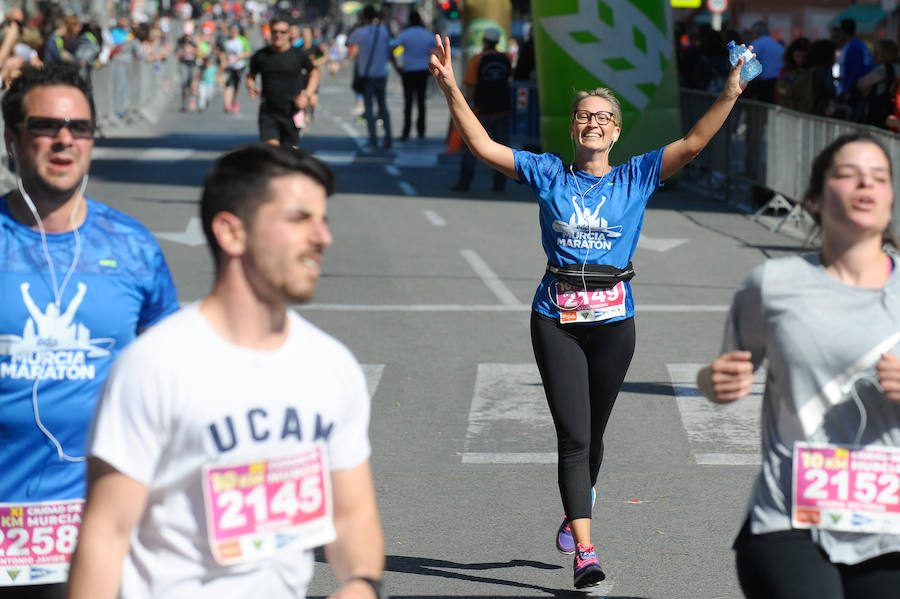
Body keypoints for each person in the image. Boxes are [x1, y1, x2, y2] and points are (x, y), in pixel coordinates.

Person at [429, 33, 749, 589]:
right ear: (572, 128)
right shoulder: (549, 173)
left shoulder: (637, 175)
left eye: (603, 116)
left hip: (614, 321)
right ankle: (585, 548)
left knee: (595, 433)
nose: (593, 122)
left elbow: (694, 142)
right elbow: (483, 147)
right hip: (556, 316)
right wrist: (453, 88)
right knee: (573, 435)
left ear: (616, 130)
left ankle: (576, 504)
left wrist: (730, 92)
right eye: (583, 116)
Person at [66, 144, 386, 599]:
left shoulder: (332, 366)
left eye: (323, 220)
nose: (323, 237)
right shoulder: (156, 364)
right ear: (232, 233)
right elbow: (105, 535)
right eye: (299, 219)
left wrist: (361, 583)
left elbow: (352, 514)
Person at [0, 63, 179, 599]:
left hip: (101, 530)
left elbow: (173, 377)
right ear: (12, 139)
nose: (64, 140)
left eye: (80, 128)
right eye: (46, 126)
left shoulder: (132, 246)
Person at [697, 133, 900, 599]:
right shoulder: (772, 286)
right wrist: (714, 380)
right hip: (790, 515)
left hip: (888, 521)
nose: (865, 184)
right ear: (813, 197)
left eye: (880, 177)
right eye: (848, 174)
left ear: (890, 196)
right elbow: (719, 374)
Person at [449, 27, 511, 193]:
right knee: (503, 148)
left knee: (471, 147)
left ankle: (465, 182)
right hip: (503, 109)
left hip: (482, 110)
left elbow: (470, 86)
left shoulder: (477, 60)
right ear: (497, 42)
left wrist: (465, 107)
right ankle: (500, 183)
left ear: (484, 41)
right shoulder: (505, 59)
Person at [246, 15, 320, 148]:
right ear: (270, 32)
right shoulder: (261, 55)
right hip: (269, 111)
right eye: (275, 32)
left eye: (283, 32)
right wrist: (251, 86)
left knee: (288, 155)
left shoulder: (299, 55)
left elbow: (314, 73)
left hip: (293, 111)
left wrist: (307, 95)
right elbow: (250, 76)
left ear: (289, 33)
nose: (278, 35)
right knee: (271, 150)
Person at [347, 4, 392, 149]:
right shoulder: (384, 31)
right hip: (381, 74)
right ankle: (388, 137)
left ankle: (373, 138)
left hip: (367, 76)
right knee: (383, 106)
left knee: (369, 108)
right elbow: (390, 46)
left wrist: (359, 24)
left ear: (363, 17)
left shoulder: (361, 32)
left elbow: (348, 41)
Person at [393, 10, 436, 142]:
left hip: (408, 71)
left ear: (410, 21)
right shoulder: (427, 35)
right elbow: (438, 49)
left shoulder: (405, 34)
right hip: (423, 71)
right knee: (421, 102)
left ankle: (406, 132)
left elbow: (393, 47)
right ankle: (421, 131)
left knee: (408, 103)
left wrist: (397, 66)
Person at [857, 39, 899, 129]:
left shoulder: (884, 69)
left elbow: (862, 84)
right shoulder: (897, 68)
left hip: (880, 115)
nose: (874, 55)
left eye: (877, 52)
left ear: (885, 53)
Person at [745, 21, 783, 103]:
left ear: (756, 33)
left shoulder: (756, 44)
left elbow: (746, 61)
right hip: (778, 82)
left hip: (763, 83)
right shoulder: (778, 45)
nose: (751, 36)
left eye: (752, 33)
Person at [221, 23, 250, 114]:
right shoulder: (226, 41)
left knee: (236, 86)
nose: (232, 32)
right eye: (231, 30)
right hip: (229, 66)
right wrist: (223, 62)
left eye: (234, 30)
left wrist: (239, 57)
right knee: (228, 85)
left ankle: (234, 101)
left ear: (237, 31)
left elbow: (248, 52)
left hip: (239, 66)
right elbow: (222, 52)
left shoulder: (243, 40)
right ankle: (227, 103)